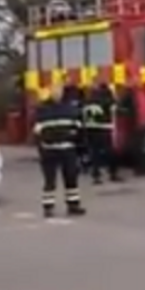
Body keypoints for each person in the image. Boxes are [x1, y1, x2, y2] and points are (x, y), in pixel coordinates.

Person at [33, 81, 86, 218]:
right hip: (49, 149)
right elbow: (36, 132)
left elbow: (79, 128)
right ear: (50, 92)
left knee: (71, 178)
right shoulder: (42, 109)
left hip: (68, 148)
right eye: (55, 91)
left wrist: (79, 147)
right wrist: (41, 148)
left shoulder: (70, 109)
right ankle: (48, 207)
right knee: (50, 180)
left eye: (59, 91)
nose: (57, 94)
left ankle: (73, 205)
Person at [82, 74, 121, 184]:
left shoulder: (88, 97)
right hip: (104, 128)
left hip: (91, 128)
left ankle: (96, 175)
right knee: (110, 152)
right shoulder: (106, 96)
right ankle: (113, 173)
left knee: (95, 153)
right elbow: (115, 107)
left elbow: (84, 112)